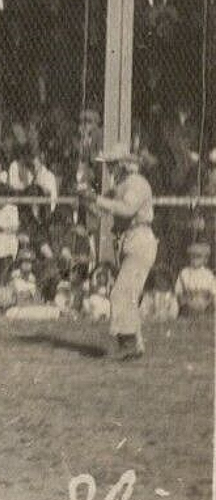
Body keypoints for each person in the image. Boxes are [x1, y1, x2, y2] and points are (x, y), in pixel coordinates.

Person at [82, 146, 157, 360]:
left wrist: (96, 199)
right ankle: (136, 344)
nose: (109, 169)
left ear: (124, 164)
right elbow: (102, 211)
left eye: (113, 164)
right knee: (129, 293)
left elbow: (126, 209)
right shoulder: (121, 185)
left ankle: (128, 345)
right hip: (127, 239)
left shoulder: (136, 183)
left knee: (121, 293)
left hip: (140, 239)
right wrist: (86, 198)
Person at [175, 241, 215, 316]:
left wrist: (206, 303)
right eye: (192, 256)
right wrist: (187, 302)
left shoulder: (209, 274)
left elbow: (213, 293)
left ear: (205, 259)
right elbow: (178, 292)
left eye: (198, 256)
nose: (194, 259)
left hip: (205, 306)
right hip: (188, 306)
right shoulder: (184, 273)